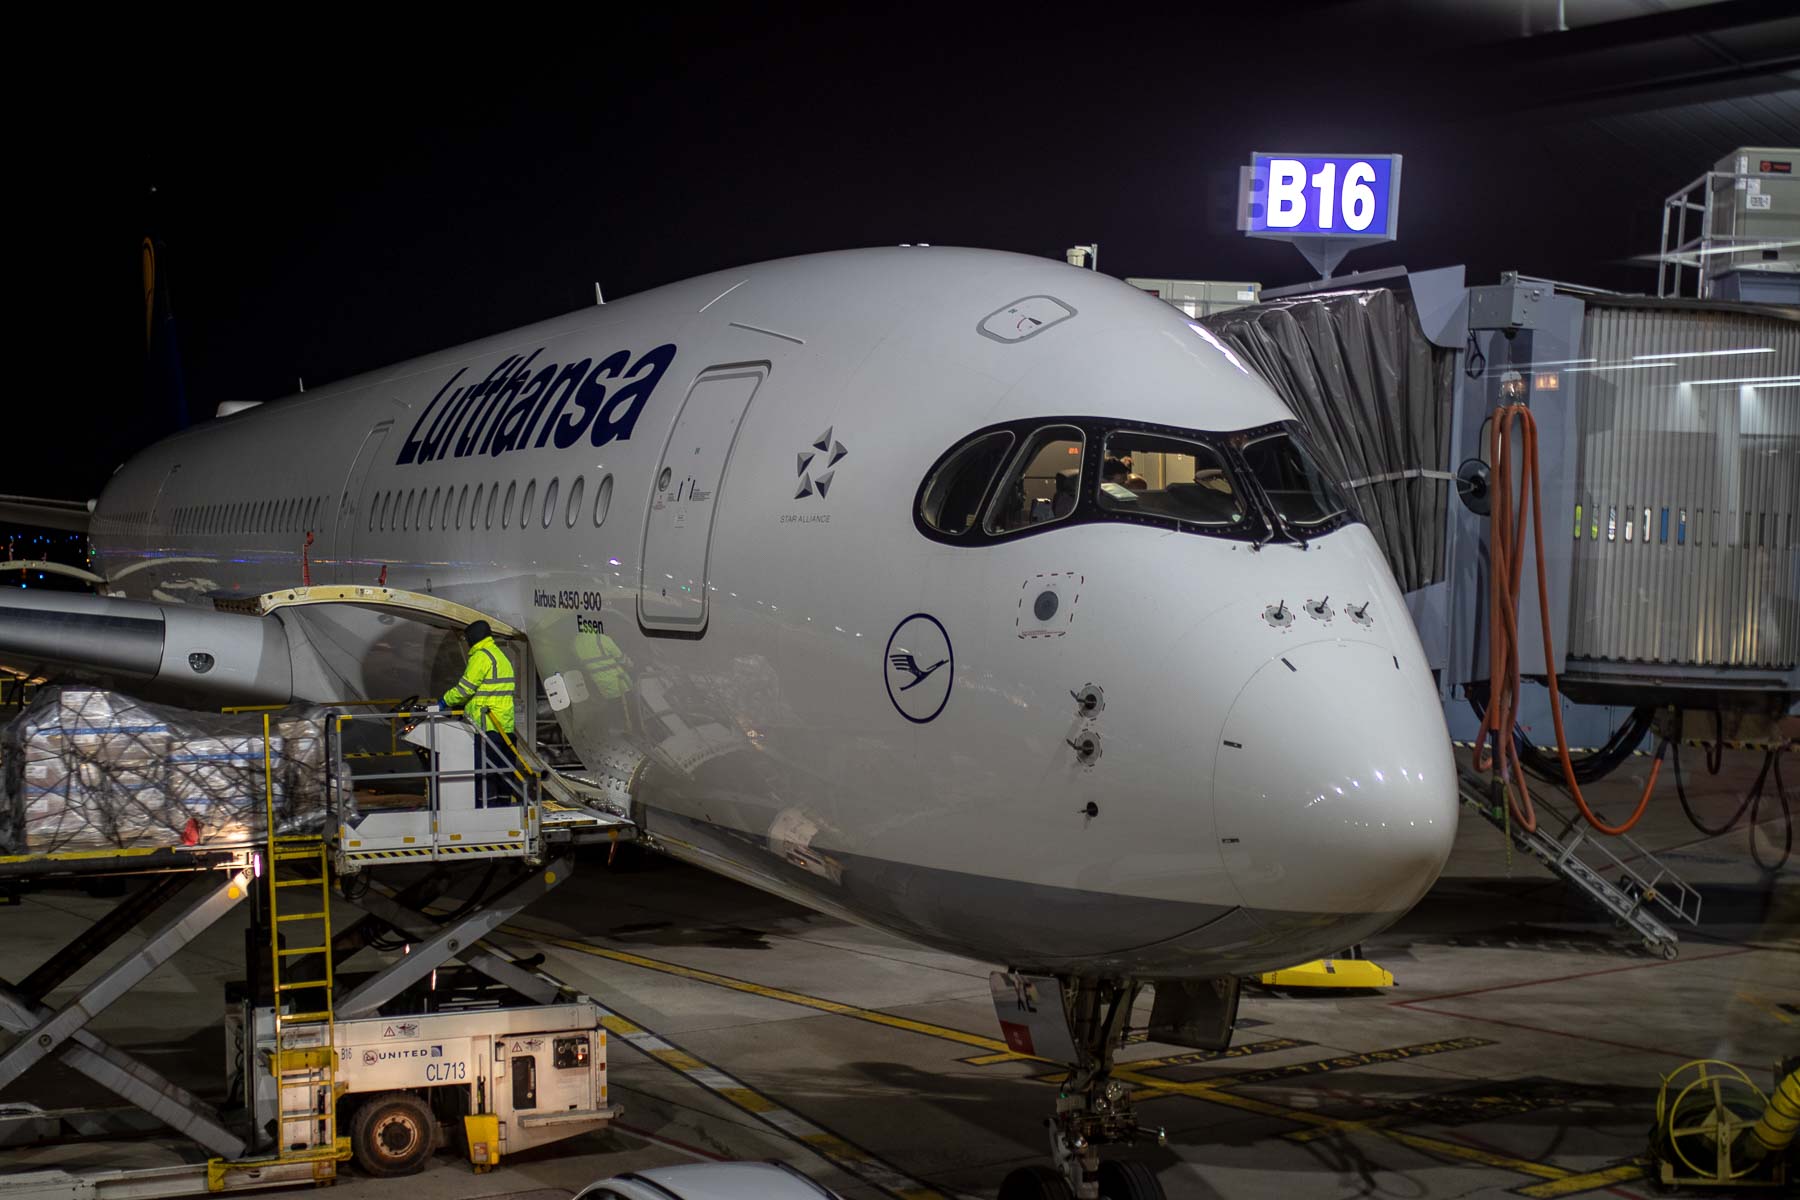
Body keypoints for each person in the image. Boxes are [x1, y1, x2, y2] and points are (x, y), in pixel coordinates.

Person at [441, 620, 518, 807]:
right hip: (504, 725)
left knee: (485, 773)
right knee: (504, 773)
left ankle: (486, 810)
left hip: (487, 726)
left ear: (473, 638)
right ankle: (503, 809)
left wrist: (444, 701)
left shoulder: (481, 657)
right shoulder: (499, 656)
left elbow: (465, 689)